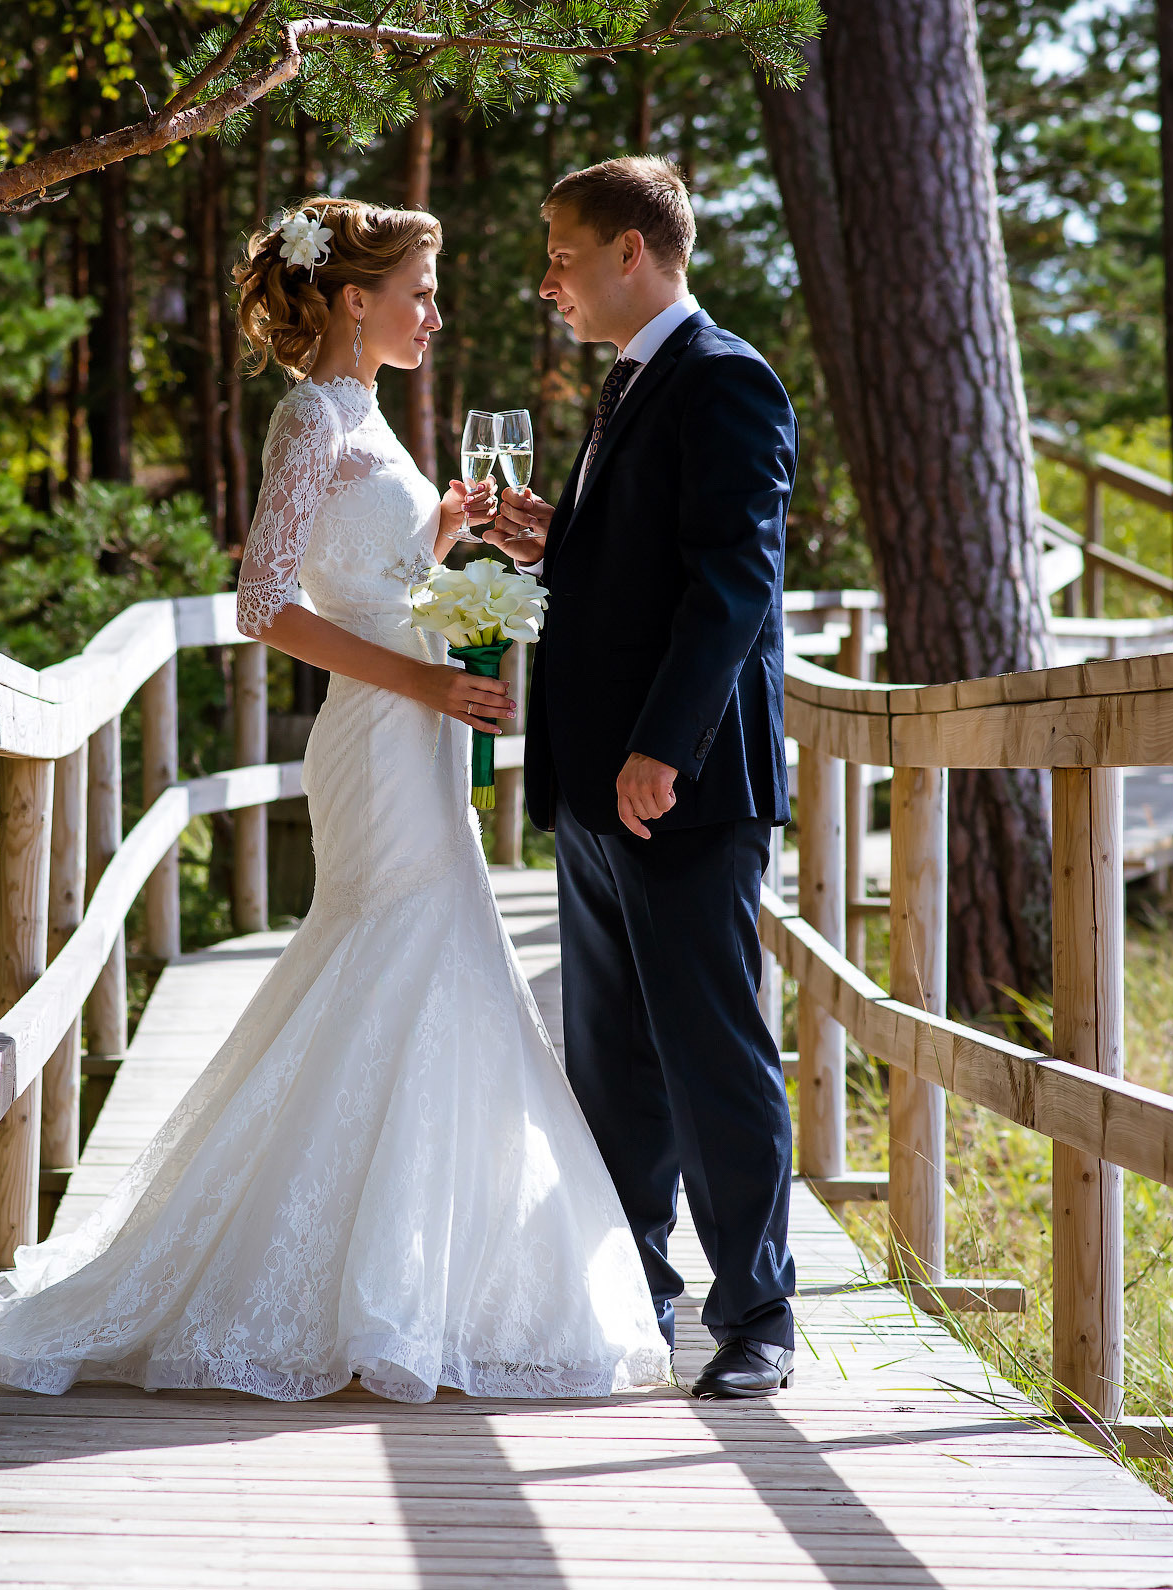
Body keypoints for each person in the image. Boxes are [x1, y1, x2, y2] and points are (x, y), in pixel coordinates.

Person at [0, 196, 670, 1405]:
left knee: (430, 959)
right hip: (380, 734)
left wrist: (446, 535)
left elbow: (372, 575)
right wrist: (427, 678)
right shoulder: (311, 416)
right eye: (417, 292)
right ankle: (340, 1278)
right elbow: (263, 604)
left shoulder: (367, 416)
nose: (434, 315)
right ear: (355, 300)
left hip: (412, 727)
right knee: (406, 951)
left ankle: (405, 1272)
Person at [487, 156, 802, 1400]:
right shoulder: (630, 384)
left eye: (562, 252)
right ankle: (636, 1294)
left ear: (632, 250)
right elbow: (639, 567)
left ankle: (760, 1317)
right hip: (591, 784)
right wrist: (548, 540)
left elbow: (734, 582)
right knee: (611, 1057)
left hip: (682, 782)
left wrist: (663, 750)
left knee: (712, 1048)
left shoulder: (726, 379)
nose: (547, 279)